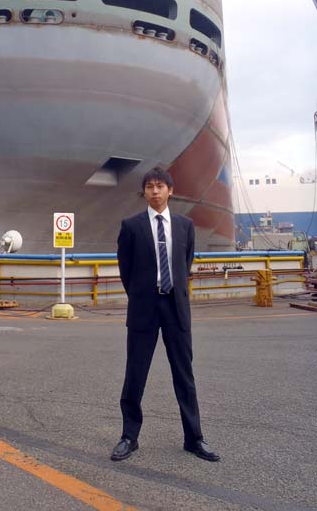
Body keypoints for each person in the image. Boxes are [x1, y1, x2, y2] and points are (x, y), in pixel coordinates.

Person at [111, 167, 220, 463]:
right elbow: (126, 269)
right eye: (149, 187)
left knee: (184, 375)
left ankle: (194, 438)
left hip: (175, 307)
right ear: (144, 193)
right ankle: (129, 436)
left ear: (170, 190)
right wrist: (140, 294)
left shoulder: (185, 226)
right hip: (144, 307)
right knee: (135, 374)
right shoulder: (131, 226)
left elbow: (185, 262)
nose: (155, 191)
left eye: (160, 186)